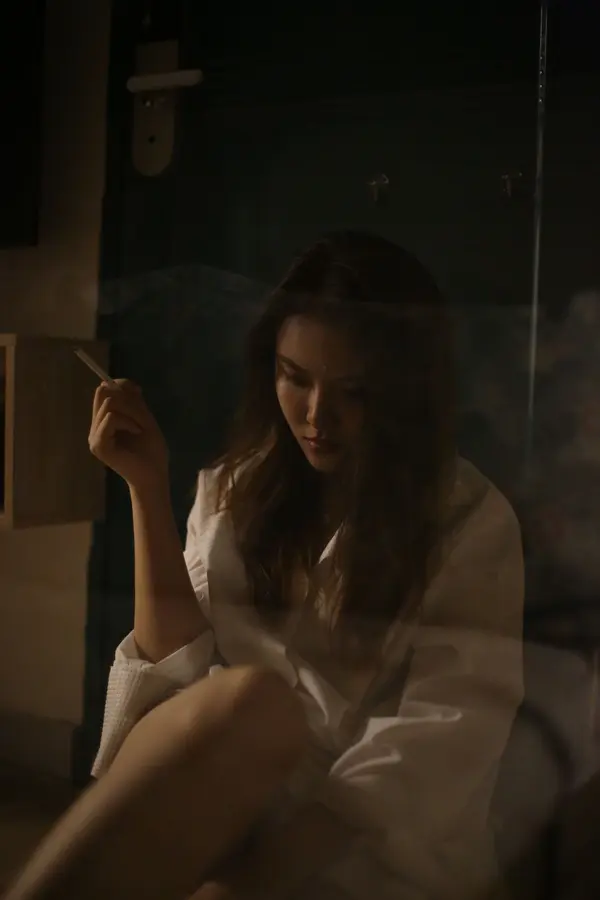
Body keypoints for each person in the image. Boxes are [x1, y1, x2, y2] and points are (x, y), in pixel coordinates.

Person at [3, 231, 524, 900]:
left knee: (259, 706)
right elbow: (174, 671)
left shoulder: (468, 520)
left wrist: (251, 882)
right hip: (235, 802)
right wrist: (146, 487)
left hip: (365, 848)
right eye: (294, 377)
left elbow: (436, 744)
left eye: (354, 391)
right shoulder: (234, 488)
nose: (316, 416)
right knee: (249, 702)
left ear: (405, 391)